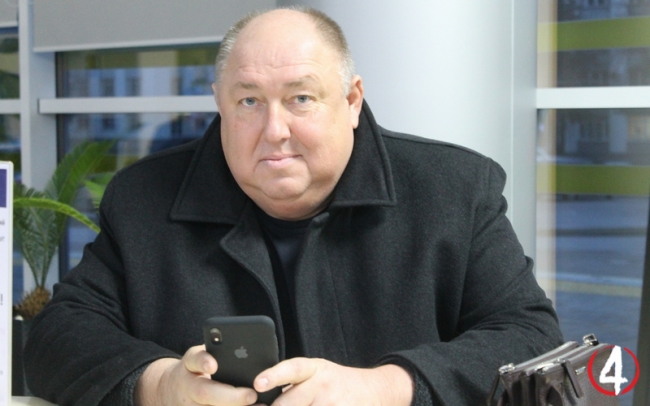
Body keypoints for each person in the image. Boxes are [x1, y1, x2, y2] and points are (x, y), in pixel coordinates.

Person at [25, 6, 563, 406]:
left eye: (300, 98)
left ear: (351, 100)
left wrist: (386, 388)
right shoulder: (143, 199)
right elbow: (57, 337)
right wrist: (159, 384)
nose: (274, 130)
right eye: (249, 101)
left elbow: (531, 337)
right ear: (219, 103)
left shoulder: (454, 189)